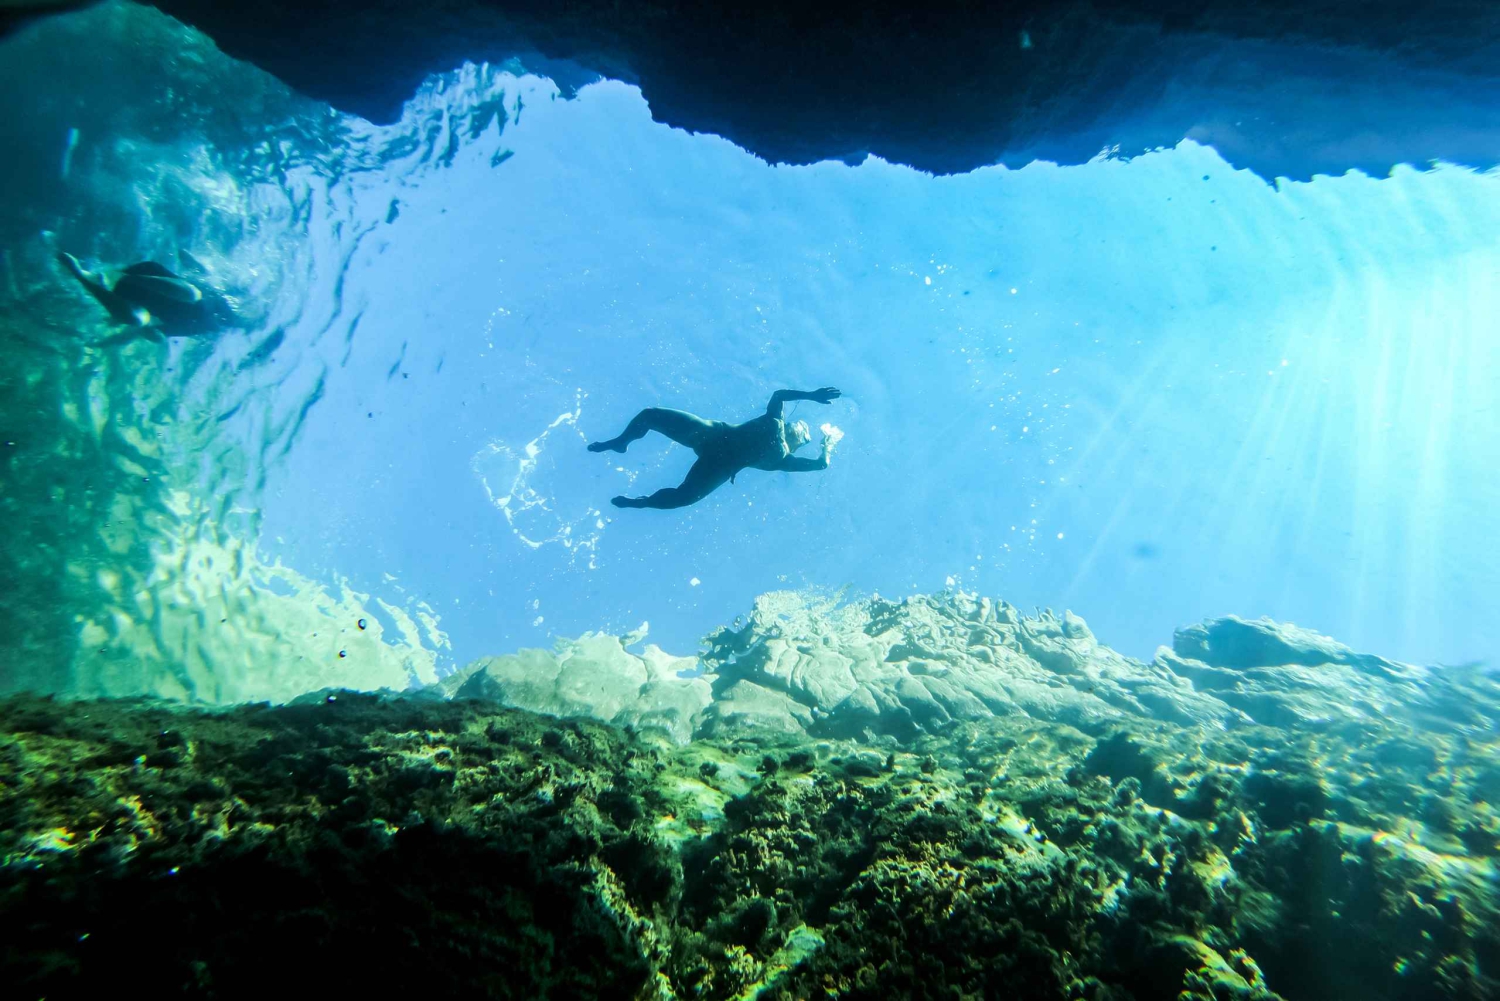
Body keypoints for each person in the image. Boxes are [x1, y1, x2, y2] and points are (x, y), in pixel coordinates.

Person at [590, 387, 843, 510]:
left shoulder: (784, 459)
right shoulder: (775, 421)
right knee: (650, 414)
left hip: (721, 466)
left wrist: (827, 446)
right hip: (713, 435)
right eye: (801, 427)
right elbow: (778, 395)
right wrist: (811, 395)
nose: (803, 431)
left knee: (684, 498)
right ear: (790, 425)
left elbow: (821, 464)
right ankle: (622, 441)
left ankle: (642, 503)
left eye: (805, 435)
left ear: (799, 446)